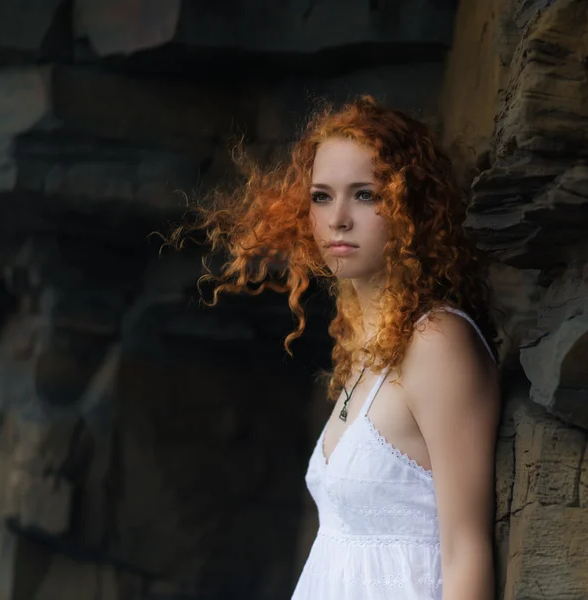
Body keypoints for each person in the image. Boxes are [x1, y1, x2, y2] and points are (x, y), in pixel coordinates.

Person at [167, 96, 501, 600]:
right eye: (322, 196)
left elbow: (465, 550)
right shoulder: (365, 348)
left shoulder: (438, 342)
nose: (338, 218)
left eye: (365, 194)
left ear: (410, 203)